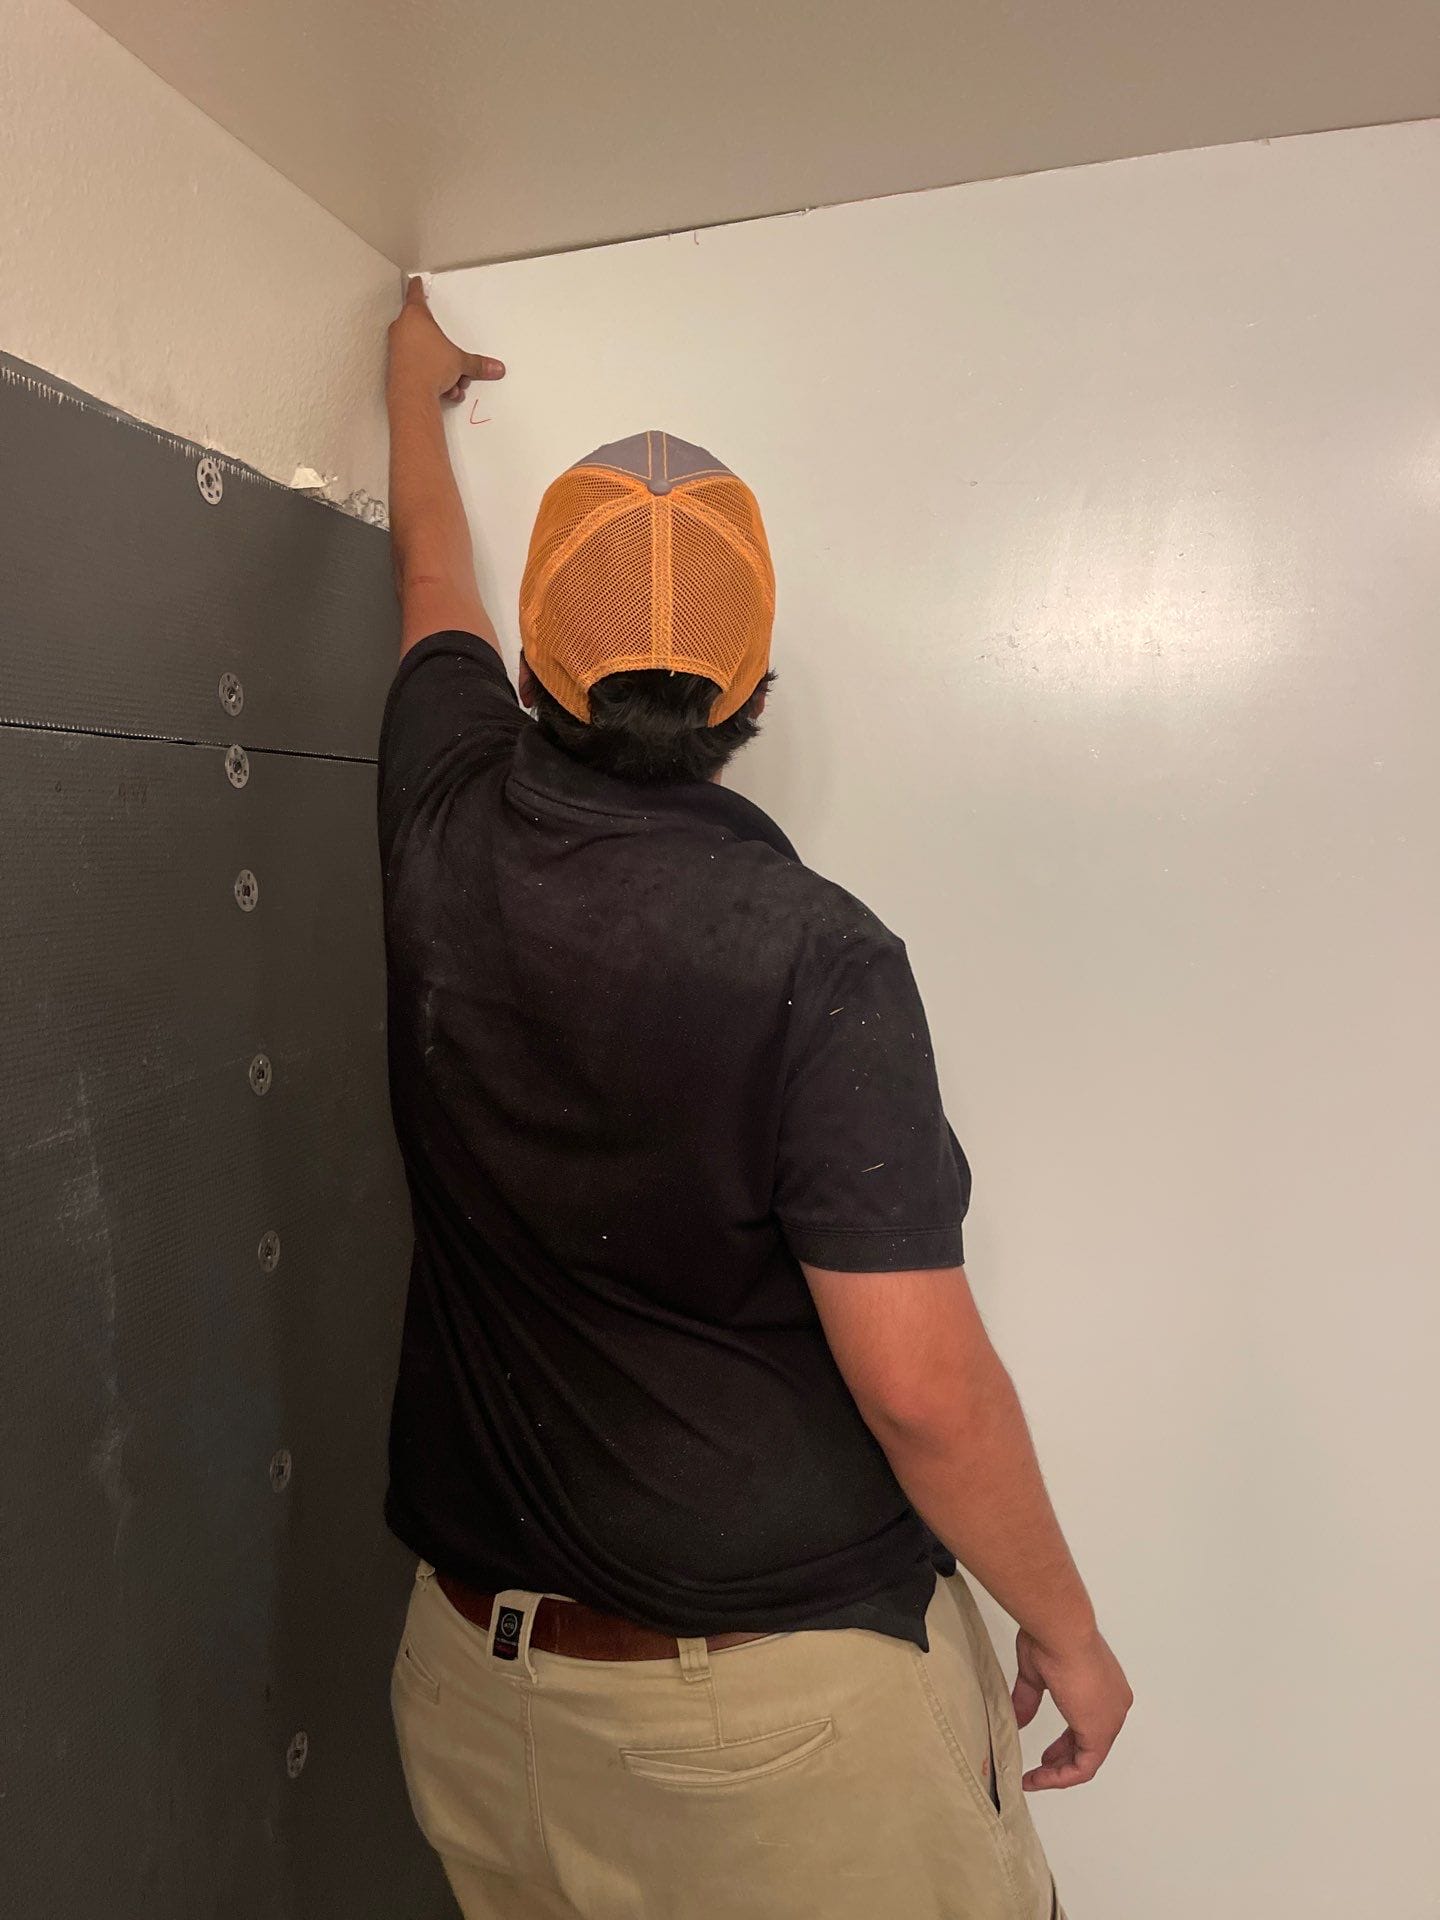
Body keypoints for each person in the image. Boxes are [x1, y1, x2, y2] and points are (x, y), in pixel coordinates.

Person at [379, 277, 1131, 1920]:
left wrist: (407, 390)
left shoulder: (434, 822)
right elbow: (922, 1389)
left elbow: (430, 579)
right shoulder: (818, 957)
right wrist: (1066, 1630)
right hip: (769, 1731)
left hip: (476, 1696)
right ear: (751, 687)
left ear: (532, 668)